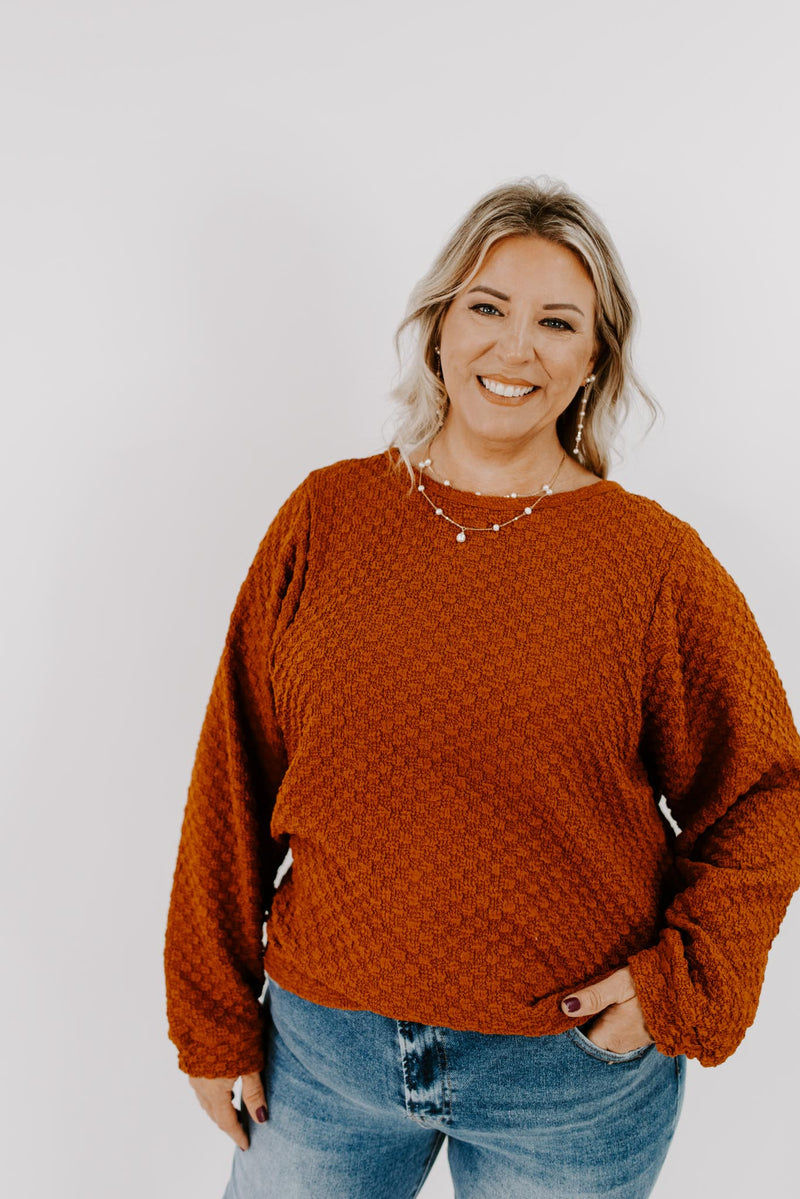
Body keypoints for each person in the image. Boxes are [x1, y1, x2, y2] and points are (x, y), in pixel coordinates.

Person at [164, 176, 800, 1198]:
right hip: (322, 1060)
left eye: (557, 322)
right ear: (438, 329)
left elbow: (765, 791)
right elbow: (234, 771)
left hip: (567, 1079)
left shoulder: (651, 564)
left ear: (594, 359)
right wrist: (211, 1013)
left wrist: (677, 983)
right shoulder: (326, 518)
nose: (515, 348)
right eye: (487, 307)